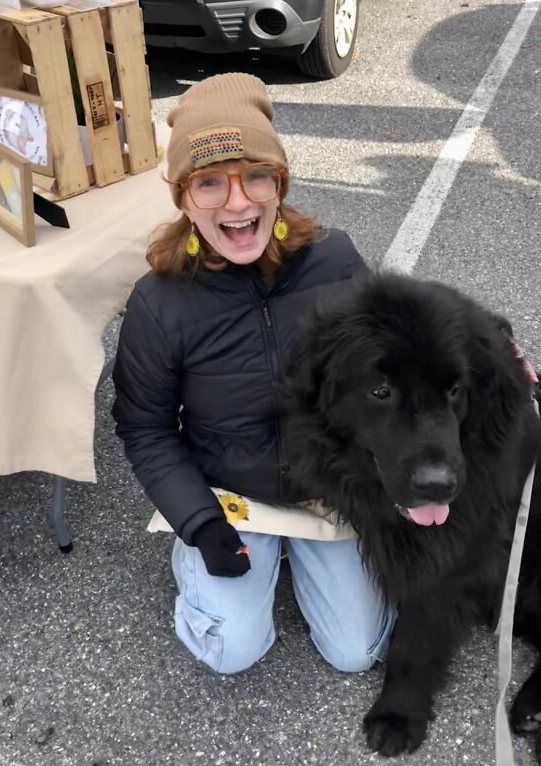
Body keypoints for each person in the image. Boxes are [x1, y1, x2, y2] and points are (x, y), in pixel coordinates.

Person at [112, 73, 395, 675]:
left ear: (279, 184)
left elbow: (397, 361)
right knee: (232, 651)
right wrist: (198, 522)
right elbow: (145, 428)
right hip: (231, 496)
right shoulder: (159, 303)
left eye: (255, 178)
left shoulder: (336, 261)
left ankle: (307, 556)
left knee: (356, 653)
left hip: (328, 488)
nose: (237, 204)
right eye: (210, 183)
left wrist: (493, 355)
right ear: (184, 198)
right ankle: (212, 566)